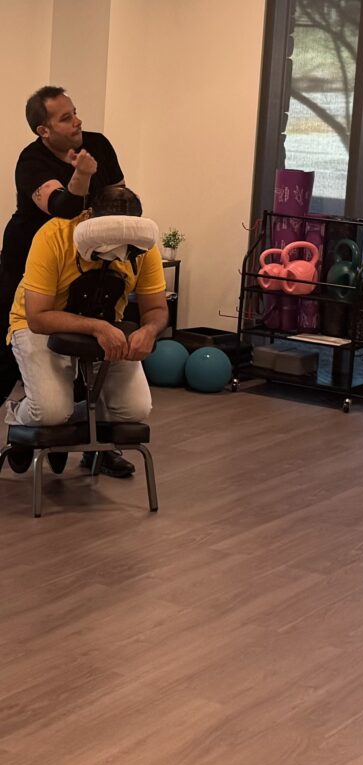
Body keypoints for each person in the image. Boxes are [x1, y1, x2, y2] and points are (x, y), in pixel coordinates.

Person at [4, 186, 166, 477]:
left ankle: (65, 420)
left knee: (134, 412)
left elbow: (156, 309)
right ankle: (20, 418)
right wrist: (97, 327)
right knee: (50, 410)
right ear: (90, 217)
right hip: (38, 324)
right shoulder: (54, 235)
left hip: (105, 328)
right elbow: (38, 316)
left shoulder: (142, 245)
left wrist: (150, 331)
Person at [0, 86, 125, 401]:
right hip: (28, 257)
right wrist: (82, 174)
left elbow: (119, 200)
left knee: (82, 347)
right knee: (8, 351)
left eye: (75, 113)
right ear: (44, 130)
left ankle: (87, 441)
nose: (78, 122)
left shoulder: (99, 144)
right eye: (66, 118)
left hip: (80, 261)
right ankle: (21, 428)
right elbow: (63, 209)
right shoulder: (31, 161)